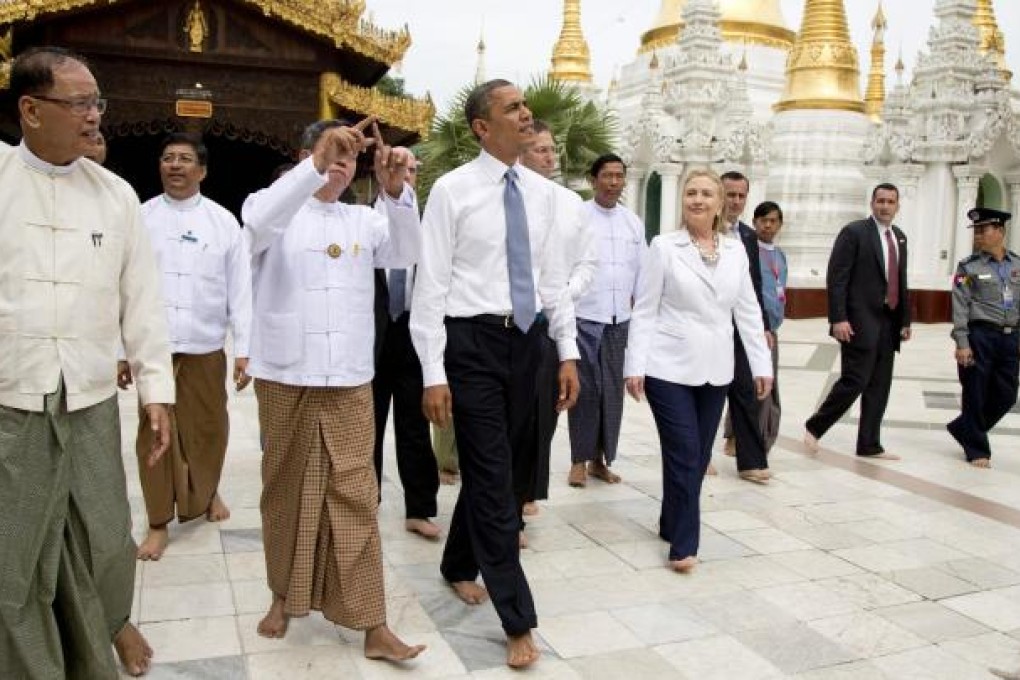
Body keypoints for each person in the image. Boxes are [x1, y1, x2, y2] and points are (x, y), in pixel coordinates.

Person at [0, 46, 174, 678]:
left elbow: (143, 303)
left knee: (104, 542)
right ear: (30, 109)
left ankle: (109, 624)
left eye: (97, 101)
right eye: (78, 102)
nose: (94, 114)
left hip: (91, 400)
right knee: (18, 560)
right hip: (13, 403)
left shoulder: (116, 196)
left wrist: (157, 393)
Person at [410, 79, 580, 669]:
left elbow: (553, 281)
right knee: (488, 476)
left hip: (530, 345)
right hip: (473, 344)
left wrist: (566, 352)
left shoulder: (545, 195)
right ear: (483, 127)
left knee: (506, 478)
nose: (526, 114)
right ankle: (517, 618)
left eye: (524, 106)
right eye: (512, 108)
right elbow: (429, 287)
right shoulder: (452, 192)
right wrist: (433, 371)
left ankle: (458, 563)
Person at [242, 117, 425, 661]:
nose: (339, 167)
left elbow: (405, 253)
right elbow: (256, 229)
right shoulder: (268, 207)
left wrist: (394, 192)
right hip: (286, 373)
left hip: (347, 378)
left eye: (348, 159)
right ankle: (282, 596)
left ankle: (373, 625)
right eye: (330, 156)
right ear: (307, 156)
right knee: (285, 492)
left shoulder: (363, 221)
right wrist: (314, 164)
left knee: (356, 496)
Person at [625, 168, 771, 573]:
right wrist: (634, 365)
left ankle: (672, 520)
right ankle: (684, 543)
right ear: (682, 200)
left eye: (707, 193)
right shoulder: (664, 246)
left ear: (720, 202)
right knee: (687, 453)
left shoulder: (737, 249)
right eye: (691, 192)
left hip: (716, 368)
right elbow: (645, 308)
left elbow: (747, 310)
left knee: (697, 452)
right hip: (667, 366)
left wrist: (760, 364)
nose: (698, 200)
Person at [119, 132, 252, 560]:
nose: (175, 165)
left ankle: (207, 493)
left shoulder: (223, 222)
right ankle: (158, 521)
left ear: (203, 170)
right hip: (153, 347)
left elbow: (241, 291)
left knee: (208, 428)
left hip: (205, 345)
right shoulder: (139, 217)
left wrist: (244, 349)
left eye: (184, 159)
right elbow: (121, 287)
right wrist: (120, 351)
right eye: (167, 158)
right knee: (153, 434)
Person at [517, 119, 595, 514]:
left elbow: (586, 263)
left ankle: (528, 492)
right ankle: (505, 502)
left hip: (553, 325)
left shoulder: (570, 204)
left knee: (544, 417)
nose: (550, 157)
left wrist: (562, 294)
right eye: (541, 149)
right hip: (508, 325)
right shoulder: (504, 198)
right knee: (510, 418)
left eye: (552, 149)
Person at [804, 183, 911, 459]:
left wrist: (905, 320)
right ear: (872, 203)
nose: (885, 206)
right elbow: (837, 277)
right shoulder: (854, 233)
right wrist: (838, 318)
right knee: (855, 380)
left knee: (879, 386)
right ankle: (815, 427)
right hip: (859, 321)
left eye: (890, 202)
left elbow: (900, 280)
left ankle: (869, 444)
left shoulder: (899, 237)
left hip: (889, 324)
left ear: (897, 206)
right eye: (880, 201)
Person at [371, 149, 443, 540]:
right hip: (372, 337)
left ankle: (419, 507)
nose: (406, 175)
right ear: (381, 172)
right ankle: (366, 502)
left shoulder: (429, 223)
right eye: (400, 169)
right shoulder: (362, 218)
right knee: (369, 426)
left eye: (413, 170)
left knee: (415, 426)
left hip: (415, 334)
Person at [567, 153, 643, 488]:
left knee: (612, 391)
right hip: (585, 315)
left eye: (619, 176)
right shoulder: (578, 216)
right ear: (593, 179)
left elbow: (642, 273)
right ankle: (578, 460)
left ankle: (601, 459)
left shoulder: (633, 222)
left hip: (619, 320)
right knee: (585, 390)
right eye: (607, 176)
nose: (614, 182)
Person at [947, 207, 1018, 468]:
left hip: (1010, 337)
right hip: (980, 336)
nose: (978, 236)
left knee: (1007, 394)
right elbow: (960, 304)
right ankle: (977, 449)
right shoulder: (968, 267)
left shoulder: (1017, 264)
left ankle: (963, 429)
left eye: (983, 230)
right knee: (975, 392)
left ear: (1000, 231)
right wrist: (962, 342)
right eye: (976, 231)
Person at [718, 170, 771, 482]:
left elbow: (755, 284)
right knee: (707, 391)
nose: (735, 201)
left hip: (740, 328)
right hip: (710, 326)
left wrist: (762, 325)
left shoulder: (749, 236)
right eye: (730, 194)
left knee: (746, 392)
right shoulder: (701, 231)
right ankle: (699, 458)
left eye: (741, 195)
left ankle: (751, 461)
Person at [753, 201, 788, 454]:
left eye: (773, 220)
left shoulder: (780, 255)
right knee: (757, 384)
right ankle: (752, 438)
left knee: (767, 382)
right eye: (763, 220)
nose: (768, 225)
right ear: (755, 222)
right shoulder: (749, 251)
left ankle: (764, 437)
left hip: (772, 328)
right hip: (753, 327)